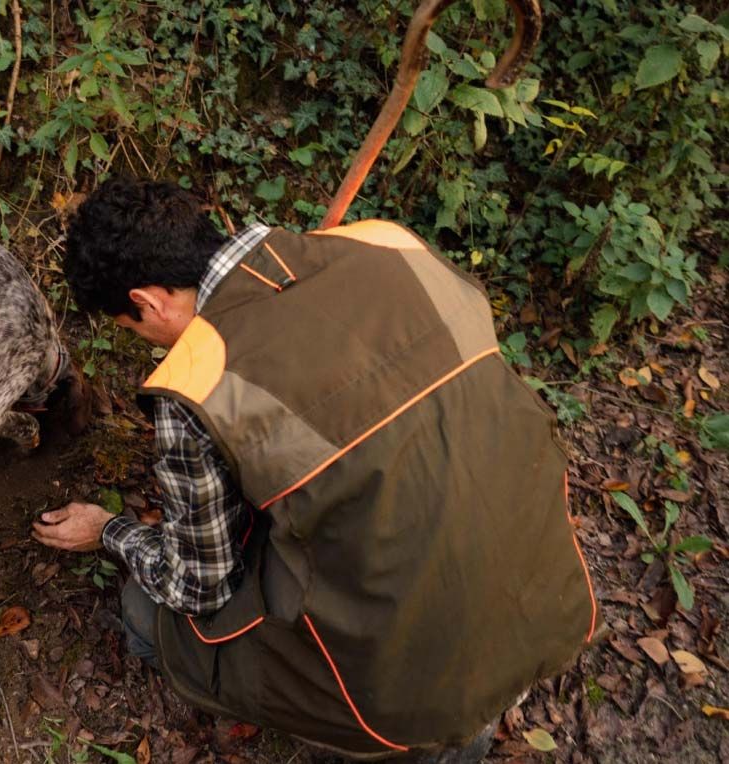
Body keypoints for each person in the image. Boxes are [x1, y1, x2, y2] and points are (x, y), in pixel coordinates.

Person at [32, 176, 597, 761]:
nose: (146, 341)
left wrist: (109, 530)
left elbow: (196, 586)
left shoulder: (196, 384)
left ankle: (412, 736)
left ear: (147, 301)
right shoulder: (389, 244)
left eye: (134, 328)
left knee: (144, 614)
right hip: (546, 596)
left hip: (401, 692)